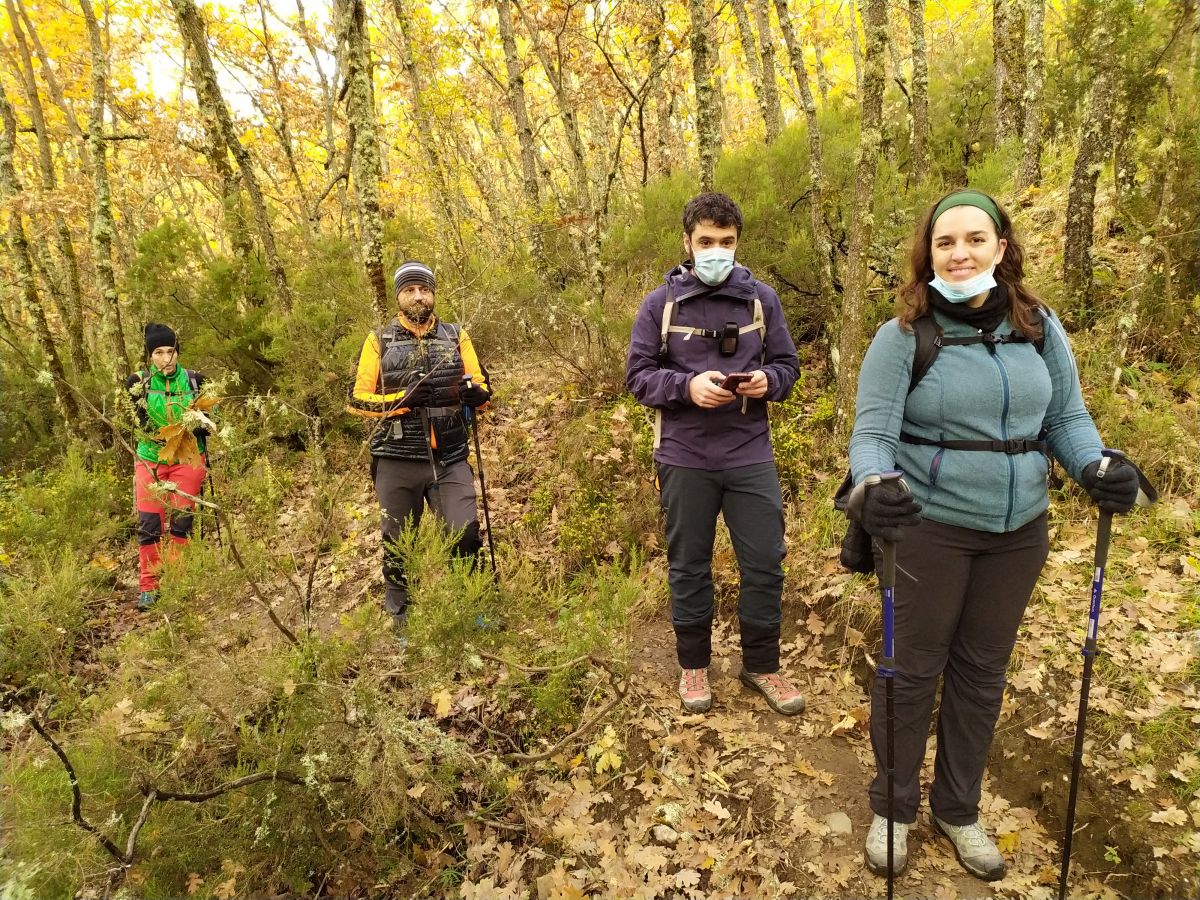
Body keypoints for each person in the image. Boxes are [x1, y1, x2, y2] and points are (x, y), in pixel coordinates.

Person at [847, 189, 1145, 880]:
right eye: (945, 242)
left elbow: (1065, 419)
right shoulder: (904, 336)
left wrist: (1095, 466)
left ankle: (958, 808)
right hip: (928, 528)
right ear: (929, 255)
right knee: (910, 671)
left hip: (1019, 532)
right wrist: (875, 483)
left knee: (982, 674)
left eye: (975, 239)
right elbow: (873, 434)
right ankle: (893, 808)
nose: (960, 253)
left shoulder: (1038, 326)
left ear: (1000, 247)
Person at [626, 192, 805, 716]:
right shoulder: (660, 305)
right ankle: (693, 666)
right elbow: (638, 376)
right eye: (706, 241)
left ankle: (762, 665)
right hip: (683, 455)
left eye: (726, 242)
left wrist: (766, 381)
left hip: (749, 452)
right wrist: (687, 387)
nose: (716, 251)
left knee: (766, 561)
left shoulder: (761, 300)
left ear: (738, 242)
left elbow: (788, 366)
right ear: (687, 242)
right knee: (689, 565)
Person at [347, 261, 491, 636]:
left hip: (450, 456)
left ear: (433, 294)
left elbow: (482, 387)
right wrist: (402, 399)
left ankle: (475, 608)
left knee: (465, 533)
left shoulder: (456, 335)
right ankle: (402, 622)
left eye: (424, 289)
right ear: (398, 296)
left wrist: (478, 396)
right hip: (396, 457)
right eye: (409, 290)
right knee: (398, 543)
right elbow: (357, 400)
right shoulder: (378, 340)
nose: (418, 296)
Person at [126, 323, 212, 611]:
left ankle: (176, 581)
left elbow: (211, 420)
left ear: (178, 351)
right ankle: (149, 586)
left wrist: (201, 426)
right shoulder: (137, 383)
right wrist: (169, 432)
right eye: (159, 352)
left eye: (171, 351)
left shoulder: (196, 381)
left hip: (188, 460)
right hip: (150, 460)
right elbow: (140, 423)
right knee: (149, 525)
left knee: (181, 523)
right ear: (150, 355)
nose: (166, 358)